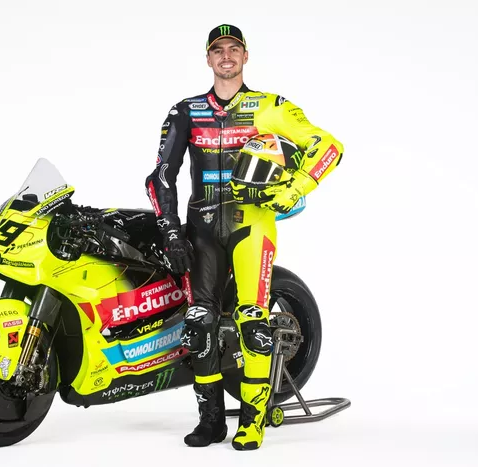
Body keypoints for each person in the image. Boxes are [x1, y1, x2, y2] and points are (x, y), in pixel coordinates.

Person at [144, 24, 344, 450]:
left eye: (233, 49)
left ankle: (253, 421)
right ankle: (211, 421)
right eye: (218, 49)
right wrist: (170, 230)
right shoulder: (185, 111)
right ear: (208, 58)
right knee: (198, 326)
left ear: (245, 56)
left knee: (253, 323)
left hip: (251, 225)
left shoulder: (269, 106)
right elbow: (160, 177)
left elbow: (329, 147)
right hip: (201, 229)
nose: (226, 56)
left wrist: (295, 189)